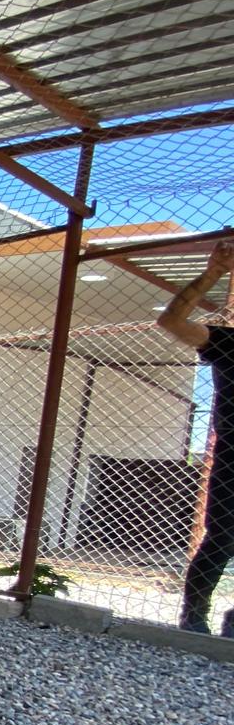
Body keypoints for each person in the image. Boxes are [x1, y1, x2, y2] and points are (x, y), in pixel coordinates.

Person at [157, 238, 234, 637]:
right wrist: (213, 274)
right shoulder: (229, 341)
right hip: (233, 458)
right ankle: (193, 617)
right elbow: (171, 322)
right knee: (221, 538)